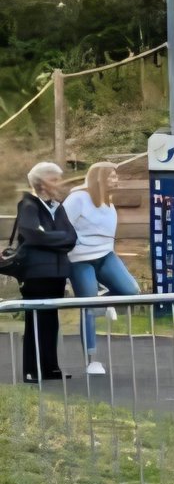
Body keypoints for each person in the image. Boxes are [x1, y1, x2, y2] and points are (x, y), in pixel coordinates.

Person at [64, 161, 140, 375]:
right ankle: (92, 360)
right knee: (87, 306)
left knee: (131, 291)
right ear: (99, 178)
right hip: (80, 259)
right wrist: (73, 247)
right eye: (112, 176)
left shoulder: (107, 200)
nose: (116, 180)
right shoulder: (78, 198)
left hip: (106, 255)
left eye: (116, 176)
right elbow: (61, 225)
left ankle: (103, 304)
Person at [15, 162, 77, 383]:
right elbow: (33, 235)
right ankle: (31, 369)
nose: (59, 183)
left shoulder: (57, 207)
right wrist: (59, 238)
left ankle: (50, 367)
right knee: (35, 320)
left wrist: (51, 238)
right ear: (42, 182)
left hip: (57, 272)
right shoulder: (28, 205)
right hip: (36, 273)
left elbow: (72, 237)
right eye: (55, 179)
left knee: (51, 320)